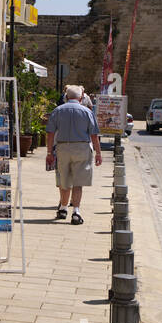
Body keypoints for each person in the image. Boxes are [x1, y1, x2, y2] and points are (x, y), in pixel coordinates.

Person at [45, 85, 103, 224]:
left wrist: (49, 152)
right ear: (81, 97)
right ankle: (76, 212)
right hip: (82, 147)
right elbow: (94, 135)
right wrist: (98, 153)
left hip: (63, 147)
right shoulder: (87, 112)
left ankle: (63, 208)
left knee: (64, 179)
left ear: (66, 97)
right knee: (78, 181)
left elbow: (50, 133)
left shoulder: (57, 111)